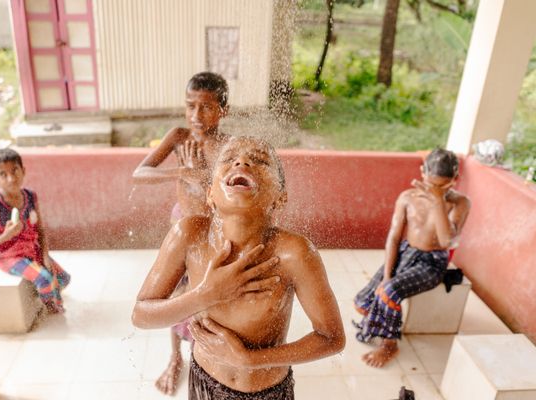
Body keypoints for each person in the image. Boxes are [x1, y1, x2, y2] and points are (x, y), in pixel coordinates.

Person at [133, 136, 346, 399]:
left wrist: (250, 360)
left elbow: (332, 337)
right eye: (229, 158)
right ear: (210, 192)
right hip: (203, 381)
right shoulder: (189, 235)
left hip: (266, 391)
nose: (242, 161)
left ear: (280, 198)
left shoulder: (294, 253)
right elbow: (141, 315)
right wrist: (207, 294)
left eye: (259, 160)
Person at [132, 72, 231, 395]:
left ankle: (206, 354)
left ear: (223, 110)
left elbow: (229, 195)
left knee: (209, 296)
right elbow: (141, 172)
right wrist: (181, 171)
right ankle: (175, 358)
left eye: (206, 107)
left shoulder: (229, 147)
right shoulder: (178, 137)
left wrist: (203, 179)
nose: (196, 116)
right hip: (182, 227)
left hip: (216, 233)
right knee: (176, 295)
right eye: (190, 106)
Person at [353, 148, 471, 368]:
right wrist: (387, 275)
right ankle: (382, 318)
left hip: (433, 262)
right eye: (431, 184)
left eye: (441, 186)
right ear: (422, 173)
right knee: (363, 302)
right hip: (407, 253)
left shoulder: (460, 203)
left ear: (454, 181)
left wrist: (437, 200)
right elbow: (394, 238)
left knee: (388, 293)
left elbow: (446, 241)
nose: (435, 190)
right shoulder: (408, 197)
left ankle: (390, 345)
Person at [0, 148, 70, 314]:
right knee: (45, 278)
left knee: (63, 278)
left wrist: (44, 256)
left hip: (32, 250)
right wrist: (6, 235)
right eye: (3, 174)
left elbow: (40, 229)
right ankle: (50, 308)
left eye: (15, 171)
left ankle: (42, 291)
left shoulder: (30, 196)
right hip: (9, 256)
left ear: (23, 171)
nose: (11, 178)